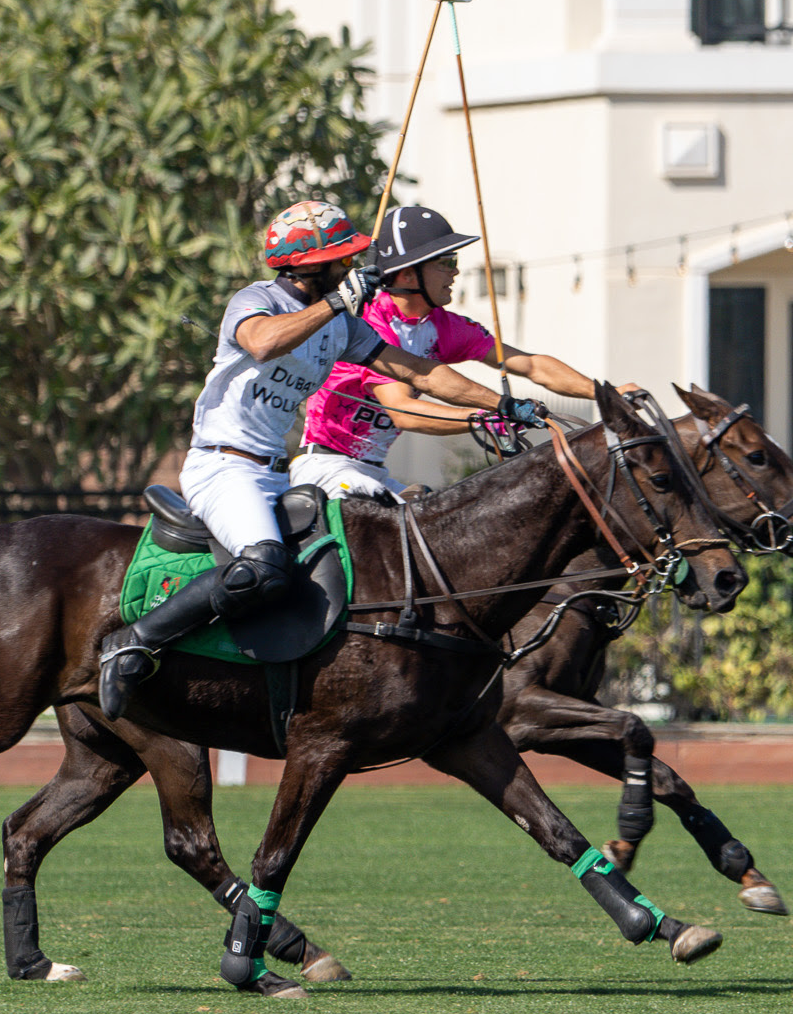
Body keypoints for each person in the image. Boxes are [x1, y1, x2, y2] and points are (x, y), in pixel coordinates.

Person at [98, 199, 549, 717]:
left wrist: (504, 404)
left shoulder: (343, 327)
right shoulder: (256, 300)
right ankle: (133, 644)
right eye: (342, 260)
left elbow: (420, 373)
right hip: (222, 466)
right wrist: (337, 304)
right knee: (264, 566)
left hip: (276, 474)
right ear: (312, 264)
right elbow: (265, 343)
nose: (350, 269)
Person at [294, 205, 601, 501]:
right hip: (326, 468)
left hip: (374, 471)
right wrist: (484, 419)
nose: (455, 272)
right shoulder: (371, 322)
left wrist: (603, 394)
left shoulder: (442, 326)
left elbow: (531, 365)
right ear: (407, 275)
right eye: (446, 261)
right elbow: (401, 411)